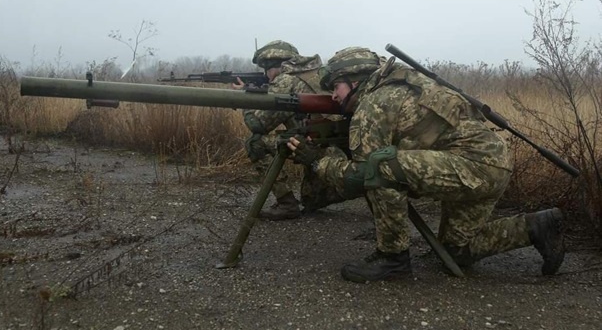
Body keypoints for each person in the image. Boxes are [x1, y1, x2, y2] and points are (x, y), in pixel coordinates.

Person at [287, 46, 565, 283]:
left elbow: (359, 177)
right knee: (457, 251)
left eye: (336, 87)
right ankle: (537, 227)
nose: (333, 96)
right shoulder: (403, 85)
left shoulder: (374, 103)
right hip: (490, 165)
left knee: (381, 168)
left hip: (472, 167)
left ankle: (392, 258)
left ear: (355, 81)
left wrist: (318, 160)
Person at [236, 40, 344, 220]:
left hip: (315, 149)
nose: (267, 76)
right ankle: (351, 187)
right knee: (311, 201)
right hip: (338, 148)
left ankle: (286, 204)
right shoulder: (317, 73)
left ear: (273, 65)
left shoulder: (286, 80)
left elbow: (258, 124)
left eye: (266, 69)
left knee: (255, 143)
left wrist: (245, 99)